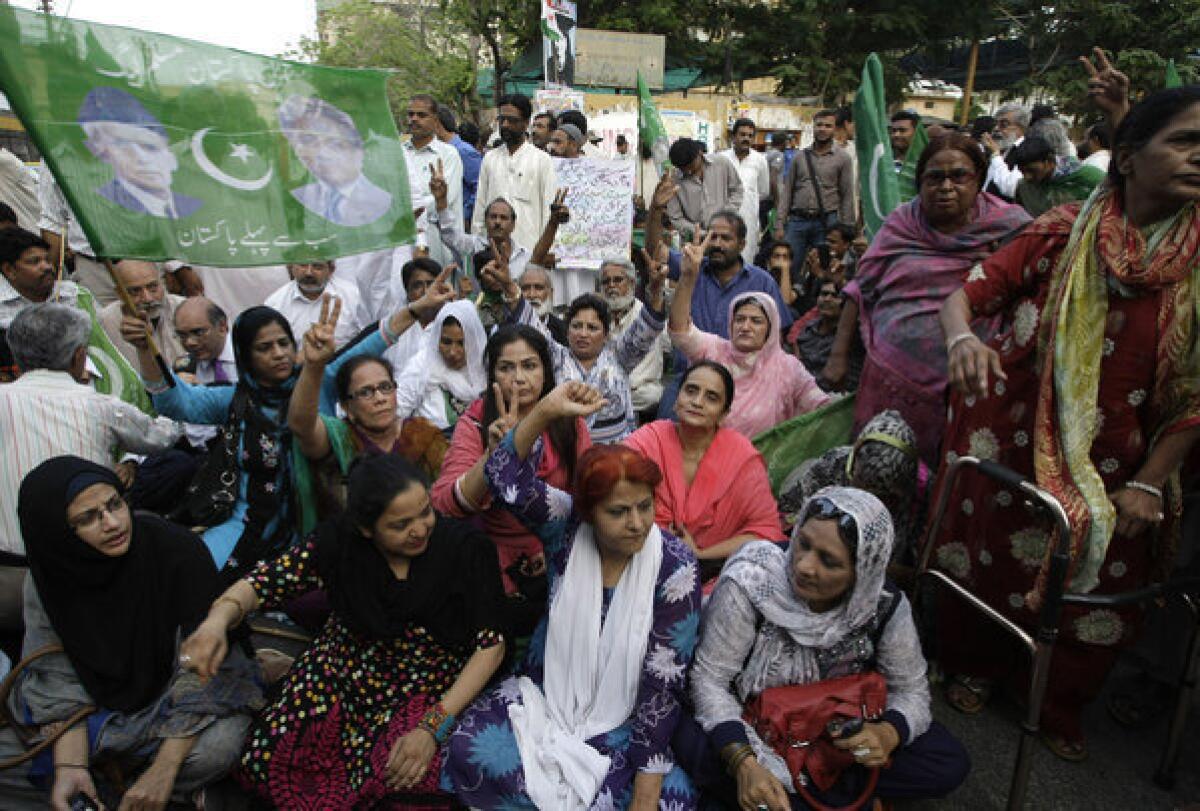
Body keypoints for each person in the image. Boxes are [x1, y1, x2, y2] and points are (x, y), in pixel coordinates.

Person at [931, 79, 1200, 761]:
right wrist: (963, 340)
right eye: (1186, 141)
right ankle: (978, 668)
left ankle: (1056, 703)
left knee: (1095, 597)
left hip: (1126, 473)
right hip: (1018, 443)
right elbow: (966, 298)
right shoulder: (1058, 232)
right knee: (993, 562)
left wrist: (1151, 481)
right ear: (1131, 156)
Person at [179, 453, 505, 808]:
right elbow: (264, 583)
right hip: (343, 669)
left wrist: (432, 726)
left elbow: (492, 646)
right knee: (271, 755)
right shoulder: (340, 546)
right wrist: (217, 621)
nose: (421, 529)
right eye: (400, 525)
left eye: (425, 512)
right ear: (366, 529)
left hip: (427, 683)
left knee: (404, 776)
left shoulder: (465, 551)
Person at [443, 382, 702, 810]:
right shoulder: (565, 527)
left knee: (669, 800)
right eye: (618, 512)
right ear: (587, 512)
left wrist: (644, 788)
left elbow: (663, 681)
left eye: (644, 505)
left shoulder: (676, 568)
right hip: (548, 695)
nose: (637, 523)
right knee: (473, 751)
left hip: (627, 719)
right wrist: (545, 411)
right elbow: (502, 474)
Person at [123, 272, 455, 576]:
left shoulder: (318, 378)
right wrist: (143, 348)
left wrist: (419, 308)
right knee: (195, 576)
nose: (279, 354)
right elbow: (173, 401)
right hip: (246, 521)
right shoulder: (233, 400)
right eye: (264, 348)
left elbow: (377, 340)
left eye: (284, 343)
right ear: (245, 356)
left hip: (315, 523)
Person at [680, 487, 969, 809]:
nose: (804, 565)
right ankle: (839, 794)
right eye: (802, 543)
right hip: (752, 723)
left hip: (829, 729)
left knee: (946, 760)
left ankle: (818, 791)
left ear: (862, 573)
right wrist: (745, 764)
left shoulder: (881, 605)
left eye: (829, 561)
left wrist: (887, 734)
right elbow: (709, 681)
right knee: (698, 745)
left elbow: (912, 690)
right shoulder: (753, 582)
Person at [0, 456, 262, 810]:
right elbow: (55, 673)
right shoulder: (50, 576)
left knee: (219, 746)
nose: (112, 523)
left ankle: (137, 787)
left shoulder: (174, 550)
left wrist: (164, 770)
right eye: (88, 518)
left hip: (175, 703)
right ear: (59, 534)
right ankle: (135, 792)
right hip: (95, 714)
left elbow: (205, 671)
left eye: (114, 505)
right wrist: (71, 766)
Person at [823, 133, 1031, 464]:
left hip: (963, 385)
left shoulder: (1009, 229)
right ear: (920, 183)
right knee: (878, 465)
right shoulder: (902, 224)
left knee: (944, 474)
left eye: (958, 176)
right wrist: (837, 355)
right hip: (888, 380)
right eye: (934, 177)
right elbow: (861, 286)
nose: (946, 186)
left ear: (978, 180)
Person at [0, 305, 181, 635]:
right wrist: (175, 392)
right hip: (86, 579)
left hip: (7, 580)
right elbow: (165, 435)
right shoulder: (98, 405)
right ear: (79, 356)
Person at [431, 325, 590, 609]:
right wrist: (495, 456)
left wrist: (552, 545)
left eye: (530, 366)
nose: (519, 379)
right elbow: (445, 505)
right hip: (496, 561)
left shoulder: (566, 419)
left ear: (545, 371)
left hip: (562, 552)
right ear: (492, 374)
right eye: (506, 368)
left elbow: (587, 497)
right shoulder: (477, 422)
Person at [288, 296, 449, 522]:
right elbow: (301, 426)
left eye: (385, 387)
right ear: (347, 407)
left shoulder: (422, 435)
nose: (380, 398)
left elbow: (446, 497)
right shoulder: (339, 438)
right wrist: (314, 366)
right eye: (365, 392)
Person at [624, 361, 782, 576]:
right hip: (639, 561)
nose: (697, 402)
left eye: (712, 397)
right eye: (691, 391)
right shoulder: (648, 440)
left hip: (713, 576)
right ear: (676, 400)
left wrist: (699, 554)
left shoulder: (742, 458)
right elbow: (611, 490)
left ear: (724, 414)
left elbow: (766, 532)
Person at [670, 232, 831, 438]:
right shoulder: (715, 350)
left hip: (761, 461)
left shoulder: (788, 368)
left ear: (770, 328)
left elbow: (822, 409)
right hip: (705, 455)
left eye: (756, 321)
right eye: (739, 319)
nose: (745, 327)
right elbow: (680, 330)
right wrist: (688, 276)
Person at [500, 252, 670, 443]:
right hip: (567, 452)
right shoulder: (557, 356)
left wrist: (655, 291)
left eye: (592, 328)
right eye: (577, 326)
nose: (583, 333)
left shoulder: (620, 355)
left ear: (605, 335)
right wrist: (509, 286)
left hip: (615, 452)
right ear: (567, 330)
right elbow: (531, 323)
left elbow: (645, 331)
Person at [0, 227, 150, 410]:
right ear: (9, 270)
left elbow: (107, 346)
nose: (47, 267)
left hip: (99, 391)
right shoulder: (2, 314)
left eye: (47, 259)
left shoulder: (76, 295)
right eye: (34, 262)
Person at [778, 411, 922, 563]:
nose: (862, 500)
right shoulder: (834, 463)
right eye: (859, 485)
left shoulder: (917, 494)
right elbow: (790, 511)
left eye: (879, 495)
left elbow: (904, 564)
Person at [77, 87, 203, 219]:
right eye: (123, 145)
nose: (142, 159)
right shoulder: (102, 209)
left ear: (171, 156)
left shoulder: (193, 205)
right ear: (104, 153)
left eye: (151, 147)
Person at [278, 95, 393, 227]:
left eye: (331, 139)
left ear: (353, 141)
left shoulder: (385, 199)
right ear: (297, 151)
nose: (322, 151)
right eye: (308, 140)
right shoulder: (298, 200)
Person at [775, 110, 856, 278]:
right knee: (789, 267)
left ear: (834, 129)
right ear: (813, 127)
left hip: (826, 222)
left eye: (828, 126)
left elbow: (847, 195)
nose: (823, 129)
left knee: (823, 268)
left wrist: (847, 230)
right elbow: (787, 191)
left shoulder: (843, 159)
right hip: (797, 221)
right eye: (819, 125)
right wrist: (780, 224)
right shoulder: (799, 157)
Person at [472, 94, 558, 252]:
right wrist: (478, 246)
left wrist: (546, 250)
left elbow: (548, 212)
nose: (505, 125)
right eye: (502, 120)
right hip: (493, 251)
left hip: (529, 250)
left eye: (512, 120)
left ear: (526, 123)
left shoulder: (541, 160)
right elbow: (480, 207)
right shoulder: (490, 159)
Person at [392, 299, 488, 435]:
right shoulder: (423, 365)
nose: (453, 352)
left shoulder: (484, 370)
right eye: (446, 342)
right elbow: (397, 411)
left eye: (462, 343)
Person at [601, 257, 670, 417]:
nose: (611, 285)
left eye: (618, 280)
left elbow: (672, 342)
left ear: (632, 283)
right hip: (606, 395)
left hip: (643, 397)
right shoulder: (597, 318)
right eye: (606, 281)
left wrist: (657, 292)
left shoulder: (649, 317)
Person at [404, 93, 464, 267]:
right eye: (410, 114)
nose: (414, 119)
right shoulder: (399, 153)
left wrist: (409, 211)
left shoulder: (448, 154)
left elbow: (444, 198)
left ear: (436, 120)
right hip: (404, 239)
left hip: (438, 238)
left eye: (421, 115)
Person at [96, 258, 187, 368]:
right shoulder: (106, 321)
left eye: (153, 287)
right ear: (119, 293)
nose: (147, 298)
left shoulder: (184, 308)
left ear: (163, 284)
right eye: (135, 291)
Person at [263, 259, 363, 350]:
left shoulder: (354, 297)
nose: (308, 273)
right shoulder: (275, 304)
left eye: (317, 266)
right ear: (290, 267)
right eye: (302, 265)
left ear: (331, 269)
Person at [665, 137, 744, 240]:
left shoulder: (721, 163)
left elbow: (737, 189)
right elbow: (676, 218)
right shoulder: (674, 180)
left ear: (700, 153)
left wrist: (726, 217)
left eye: (691, 166)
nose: (688, 171)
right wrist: (700, 233)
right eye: (683, 169)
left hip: (726, 232)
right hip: (694, 239)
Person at [793, 278, 863, 393]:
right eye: (824, 294)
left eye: (835, 296)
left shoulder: (854, 336)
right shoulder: (809, 328)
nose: (827, 299)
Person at [1011, 135, 1106, 218]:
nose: (1027, 177)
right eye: (1022, 171)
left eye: (1032, 170)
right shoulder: (1024, 187)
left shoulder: (1091, 179)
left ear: (1049, 161)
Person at [720, 118, 772, 264]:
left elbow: (763, 191)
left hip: (748, 220)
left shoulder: (759, 160)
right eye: (742, 134)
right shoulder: (721, 159)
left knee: (746, 260)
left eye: (750, 136)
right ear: (733, 136)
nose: (746, 139)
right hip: (724, 218)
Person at [434, 104, 480, 224]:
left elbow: (479, 188)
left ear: (437, 125)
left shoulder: (464, 151)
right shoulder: (438, 150)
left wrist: (465, 214)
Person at [981, 103, 1030, 198]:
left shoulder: (1026, 151)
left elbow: (1011, 188)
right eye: (995, 124)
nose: (996, 128)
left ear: (1020, 127)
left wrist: (995, 155)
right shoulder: (1003, 149)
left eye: (1004, 124)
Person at [518, 262, 567, 344]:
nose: (532, 295)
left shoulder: (564, 330)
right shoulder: (506, 327)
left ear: (550, 293)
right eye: (525, 288)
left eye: (538, 288)